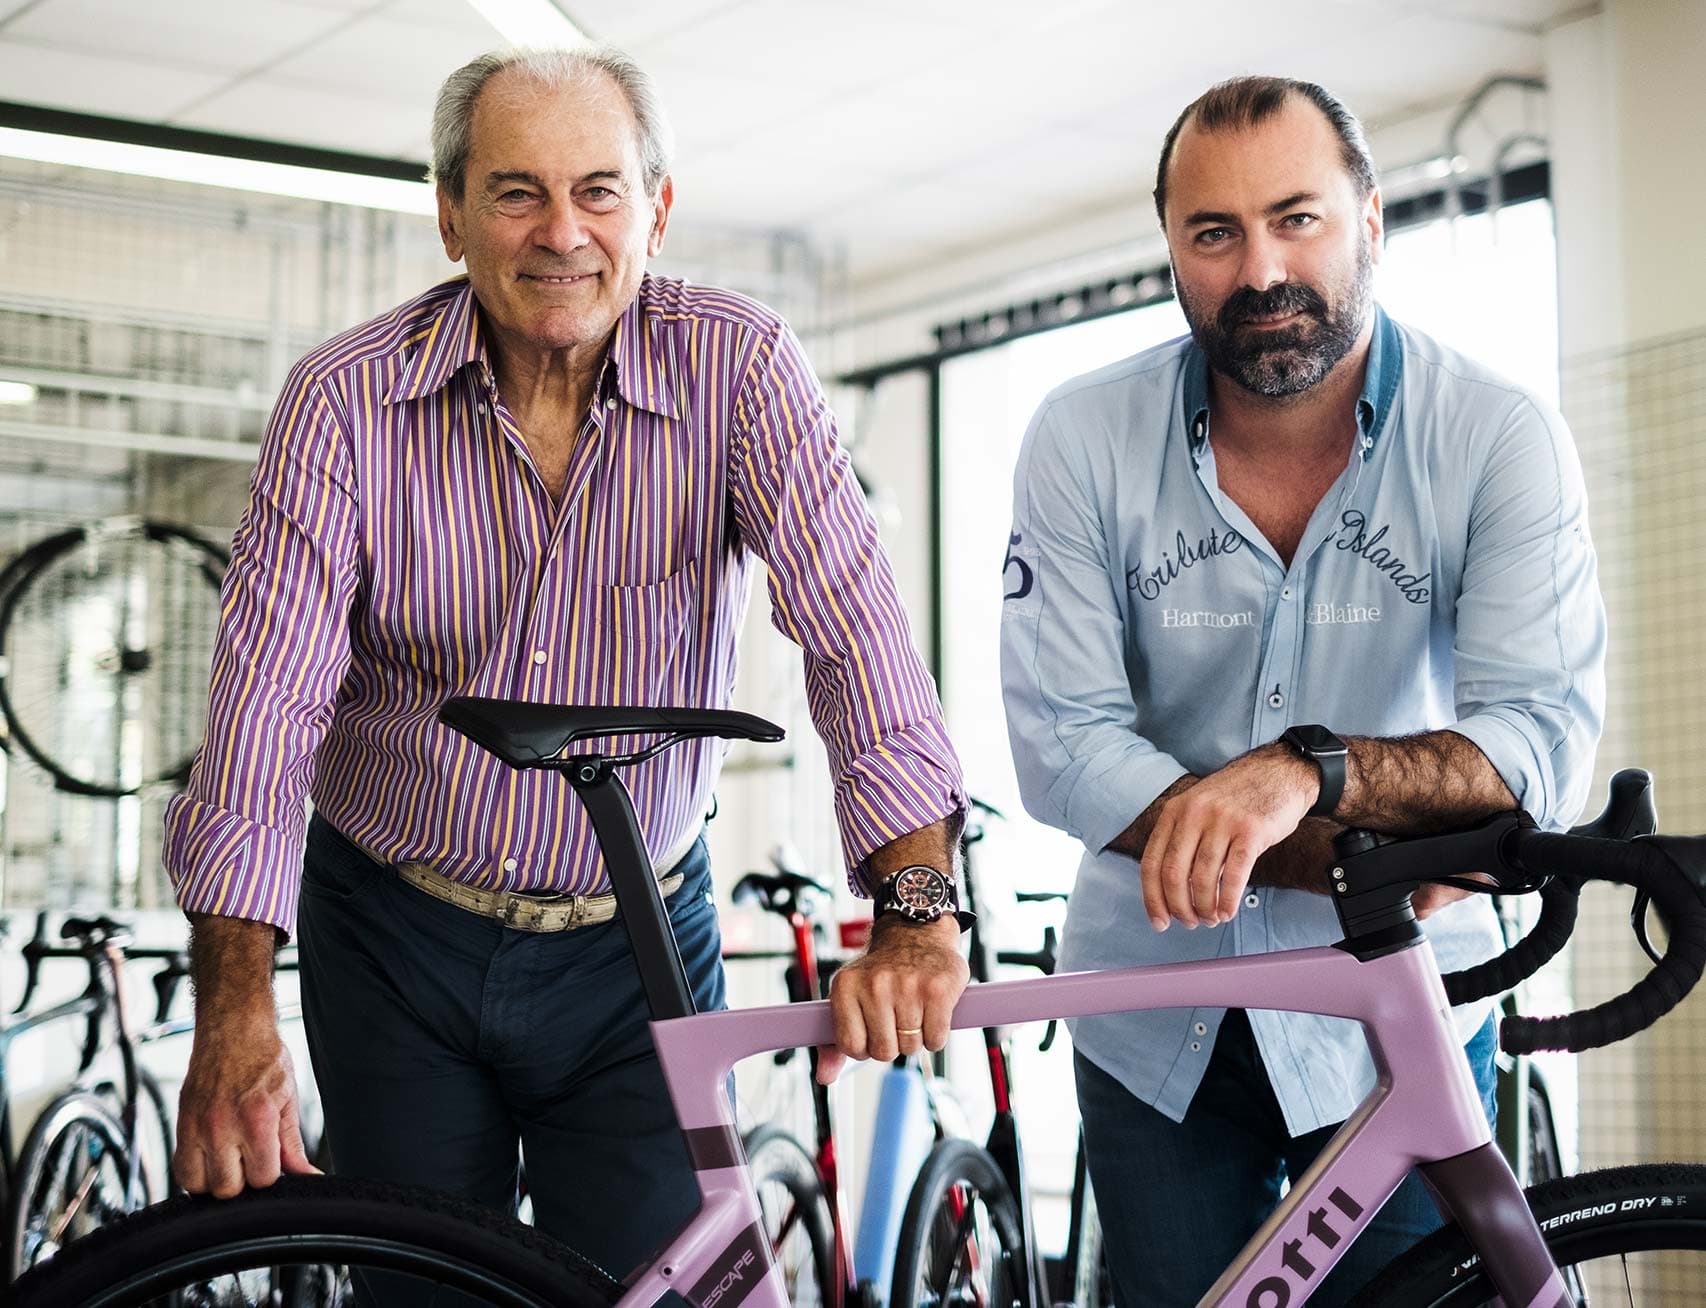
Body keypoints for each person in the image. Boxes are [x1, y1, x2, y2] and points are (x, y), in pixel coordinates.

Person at [164, 44, 969, 1280]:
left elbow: (856, 635)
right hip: (393, 930)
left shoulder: (740, 370)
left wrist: (914, 911)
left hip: (636, 932)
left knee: (654, 1281)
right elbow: (264, 713)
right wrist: (234, 1008)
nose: (561, 233)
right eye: (514, 191)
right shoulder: (343, 402)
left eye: (598, 190)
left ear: (654, 210)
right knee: (417, 1284)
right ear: (450, 216)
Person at [1000, 76, 1605, 1306]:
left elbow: (1536, 736)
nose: (1258, 267)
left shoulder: (1495, 436)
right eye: (1211, 233)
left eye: (1297, 218)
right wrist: (1382, 844)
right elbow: (1062, 745)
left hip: (1399, 1013)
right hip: (1151, 1015)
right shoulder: (1077, 437)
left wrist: (1299, 781)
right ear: (1170, 248)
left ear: (1370, 220)